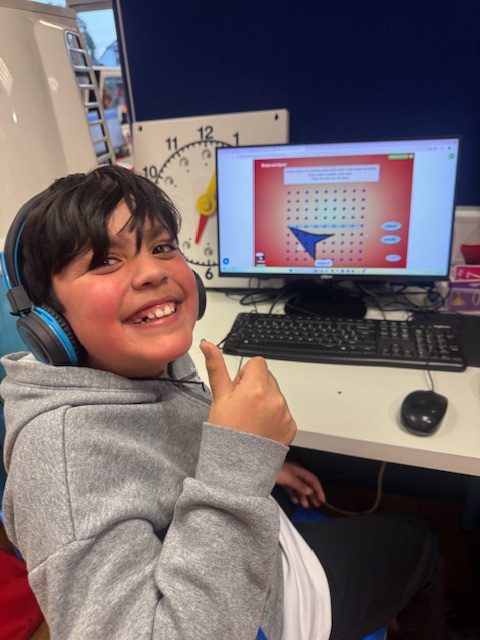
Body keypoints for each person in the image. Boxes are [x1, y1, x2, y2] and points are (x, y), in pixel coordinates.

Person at [0, 165, 447, 640]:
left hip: (243, 557)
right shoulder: (61, 463)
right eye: (106, 260)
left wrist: (255, 466)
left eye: (161, 247)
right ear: (48, 320)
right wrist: (239, 462)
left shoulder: (139, 366)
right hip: (267, 613)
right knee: (421, 542)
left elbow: (156, 463)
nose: (153, 271)